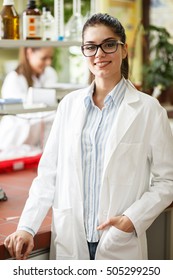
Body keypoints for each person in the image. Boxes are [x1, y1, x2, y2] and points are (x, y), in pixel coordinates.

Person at [4, 13, 173, 260]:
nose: (99, 54)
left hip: (119, 241)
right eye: (90, 47)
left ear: (123, 50)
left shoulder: (149, 110)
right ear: (83, 52)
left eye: (109, 44)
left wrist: (132, 219)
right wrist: (27, 226)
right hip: (72, 239)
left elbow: (167, 180)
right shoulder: (69, 106)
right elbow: (49, 174)